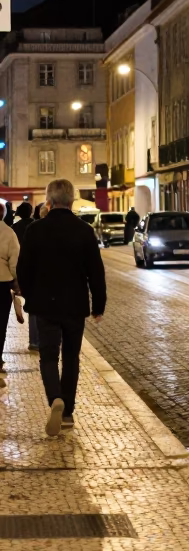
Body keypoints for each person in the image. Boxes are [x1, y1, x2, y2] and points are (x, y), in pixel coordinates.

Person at [17, 178, 106, 438]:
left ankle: (54, 397)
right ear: (71, 201)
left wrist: (30, 297)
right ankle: (67, 413)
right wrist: (98, 305)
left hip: (44, 305)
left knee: (47, 356)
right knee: (71, 357)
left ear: (50, 201)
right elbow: (96, 273)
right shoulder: (84, 230)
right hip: (74, 305)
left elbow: (24, 269)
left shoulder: (35, 230)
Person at [11, 202, 39, 351]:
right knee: (35, 306)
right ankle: (36, 340)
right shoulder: (36, 227)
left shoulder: (15, 228)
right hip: (35, 271)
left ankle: (34, 340)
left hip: (20, 269)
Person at [0, 199, 19, 384]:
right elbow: (15, 263)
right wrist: (17, 284)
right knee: (0, 325)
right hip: (2, 285)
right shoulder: (8, 233)